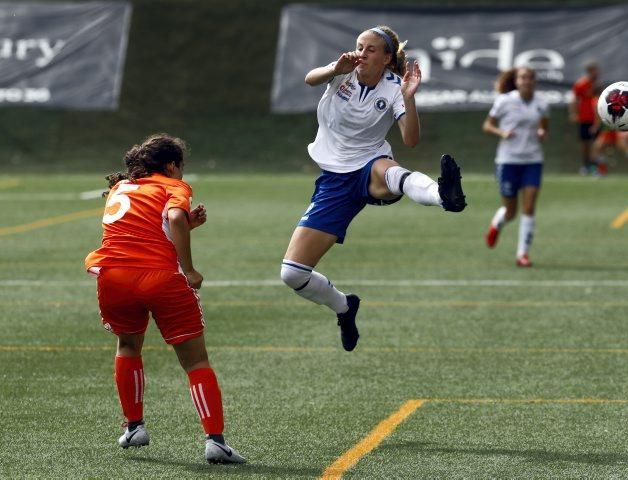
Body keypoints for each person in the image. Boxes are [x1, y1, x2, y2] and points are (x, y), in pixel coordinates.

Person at [281, 26, 466, 351]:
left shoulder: (395, 87)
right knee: (292, 274)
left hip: (370, 165)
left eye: (370, 49)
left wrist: (409, 98)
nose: (361, 53)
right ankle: (344, 306)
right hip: (334, 181)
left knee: (391, 170)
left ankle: (444, 196)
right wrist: (332, 69)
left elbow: (410, 140)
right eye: (359, 46)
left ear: (386, 58)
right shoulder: (342, 72)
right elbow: (311, 78)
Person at [84, 134, 246, 464]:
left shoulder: (121, 187)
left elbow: (142, 231)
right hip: (159, 279)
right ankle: (215, 440)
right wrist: (188, 268)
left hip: (112, 277)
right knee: (196, 361)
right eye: (181, 167)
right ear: (172, 165)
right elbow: (172, 219)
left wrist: (189, 226)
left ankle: (134, 426)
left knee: (128, 346)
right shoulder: (173, 187)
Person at [482, 67, 549, 267]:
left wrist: (542, 132)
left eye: (530, 78)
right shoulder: (504, 101)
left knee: (529, 209)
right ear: (516, 81)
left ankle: (522, 254)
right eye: (523, 78)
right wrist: (501, 132)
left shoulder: (542, 104)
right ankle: (497, 224)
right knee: (511, 211)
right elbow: (487, 125)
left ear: (535, 81)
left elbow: (544, 126)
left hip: (533, 160)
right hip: (508, 161)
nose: (527, 81)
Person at [569, 61, 600, 175]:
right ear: (590, 71)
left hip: (596, 118)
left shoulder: (597, 85)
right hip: (584, 118)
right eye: (594, 71)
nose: (597, 73)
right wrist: (573, 114)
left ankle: (595, 166)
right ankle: (585, 165)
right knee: (585, 143)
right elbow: (573, 100)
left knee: (597, 144)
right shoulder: (581, 84)